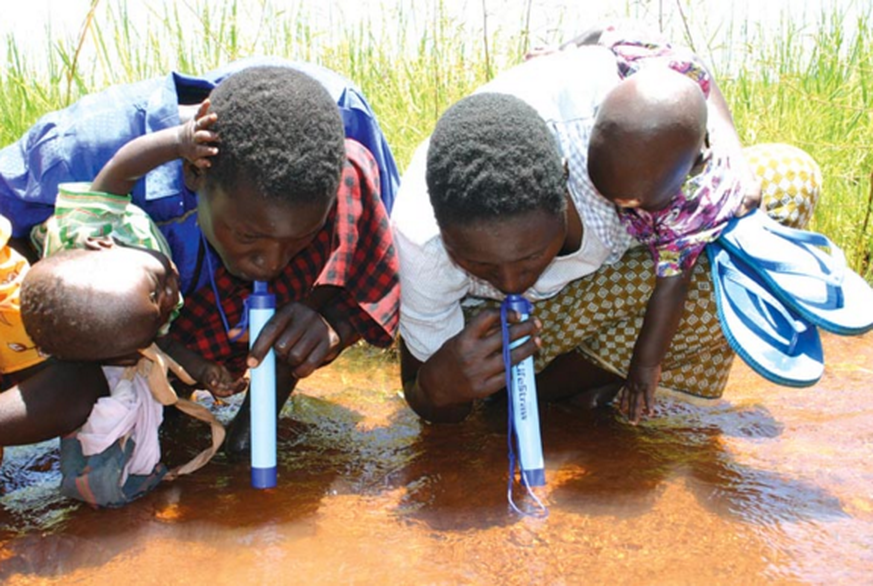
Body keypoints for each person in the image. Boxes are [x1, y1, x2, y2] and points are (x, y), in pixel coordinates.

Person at [391, 24, 821, 425]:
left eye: (530, 257)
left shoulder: (616, 129)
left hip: (605, 281)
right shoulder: (420, 237)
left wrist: (727, 145)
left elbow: (688, 71)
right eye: (478, 265)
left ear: (565, 181)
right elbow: (420, 392)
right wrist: (441, 387)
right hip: (497, 334)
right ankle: (513, 396)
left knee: (788, 183)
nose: (510, 283)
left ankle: (557, 389)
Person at [3, 61, 401, 456]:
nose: (273, 265)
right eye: (249, 236)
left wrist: (336, 323)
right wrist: (55, 333)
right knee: (86, 384)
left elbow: (384, 255)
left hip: (188, 306)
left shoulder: (345, 122)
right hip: (101, 311)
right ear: (194, 172)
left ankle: (246, 430)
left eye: (298, 240)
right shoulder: (81, 148)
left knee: (352, 174)